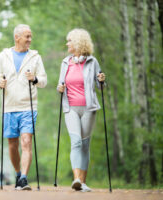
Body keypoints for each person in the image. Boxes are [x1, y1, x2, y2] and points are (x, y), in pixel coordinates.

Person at [0, 24, 47, 190]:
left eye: (30, 36)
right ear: (17, 38)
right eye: (27, 37)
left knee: (26, 141)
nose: (30, 40)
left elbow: (44, 81)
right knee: (12, 144)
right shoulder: (3, 56)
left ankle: (23, 178)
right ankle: (17, 173)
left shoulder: (35, 57)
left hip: (28, 106)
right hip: (9, 107)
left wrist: (35, 78)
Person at [57, 28, 106, 192]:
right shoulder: (65, 62)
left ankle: (82, 182)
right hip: (70, 108)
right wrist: (60, 88)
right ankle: (76, 179)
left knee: (85, 145)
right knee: (76, 142)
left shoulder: (92, 62)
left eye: (69, 40)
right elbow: (60, 84)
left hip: (89, 108)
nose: (67, 43)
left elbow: (100, 87)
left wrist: (101, 80)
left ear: (78, 42)